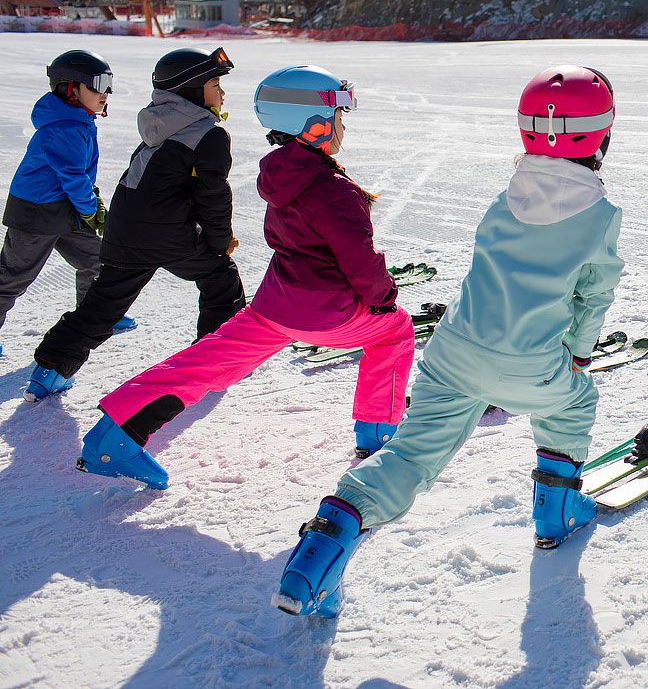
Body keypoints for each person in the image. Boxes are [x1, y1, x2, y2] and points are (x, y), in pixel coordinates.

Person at [271, 65, 624, 618]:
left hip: (454, 352)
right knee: (574, 400)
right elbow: (594, 294)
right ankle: (555, 512)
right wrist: (578, 354)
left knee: (410, 454)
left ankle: (324, 546)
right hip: (530, 365)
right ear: (602, 132)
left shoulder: (506, 198)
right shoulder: (599, 214)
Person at [78, 65, 415, 490]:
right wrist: (384, 297)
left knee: (207, 362)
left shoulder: (280, 173)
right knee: (395, 330)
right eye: (338, 116)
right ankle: (378, 431)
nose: (342, 125)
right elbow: (359, 260)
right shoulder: (333, 187)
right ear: (313, 123)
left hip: (275, 305)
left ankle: (113, 437)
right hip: (328, 310)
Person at [27, 47, 246, 400]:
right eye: (215, 83)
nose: (221, 92)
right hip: (168, 233)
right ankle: (213, 364)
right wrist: (219, 242)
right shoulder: (209, 133)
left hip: (125, 229)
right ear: (191, 89)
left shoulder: (158, 123)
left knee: (104, 304)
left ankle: (49, 370)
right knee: (221, 279)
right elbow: (213, 194)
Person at [0, 50, 136, 358]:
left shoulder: (79, 121)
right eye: (98, 85)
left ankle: (94, 319)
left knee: (97, 260)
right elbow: (73, 177)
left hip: (65, 208)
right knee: (13, 277)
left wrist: (93, 199)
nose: (106, 94)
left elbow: (80, 177)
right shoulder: (64, 128)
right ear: (71, 88)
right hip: (37, 213)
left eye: (109, 85)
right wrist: (91, 209)